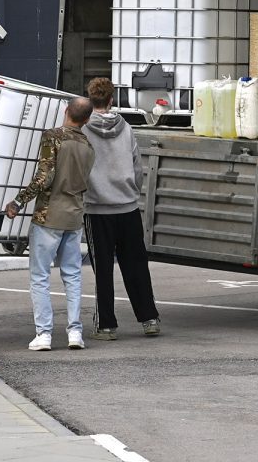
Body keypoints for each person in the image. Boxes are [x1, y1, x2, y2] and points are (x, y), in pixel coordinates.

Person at [5, 97, 95, 351]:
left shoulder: (53, 137)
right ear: (86, 119)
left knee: (40, 276)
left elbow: (44, 177)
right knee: (73, 275)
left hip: (49, 214)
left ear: (66, 111)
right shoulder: (88, 145)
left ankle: (44, 333)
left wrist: (18, 201)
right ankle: (75, 331)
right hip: (74, 216)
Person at [82, 78, 161, 340]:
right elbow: (137, 164)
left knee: (102, 269)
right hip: (127, 206)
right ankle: (149, 318)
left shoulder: (83, 129)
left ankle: (106, 325)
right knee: (136, 264)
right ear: (112, 99)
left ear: (90, 99)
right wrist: (132, 191)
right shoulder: (125, 127)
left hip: (97, 208)